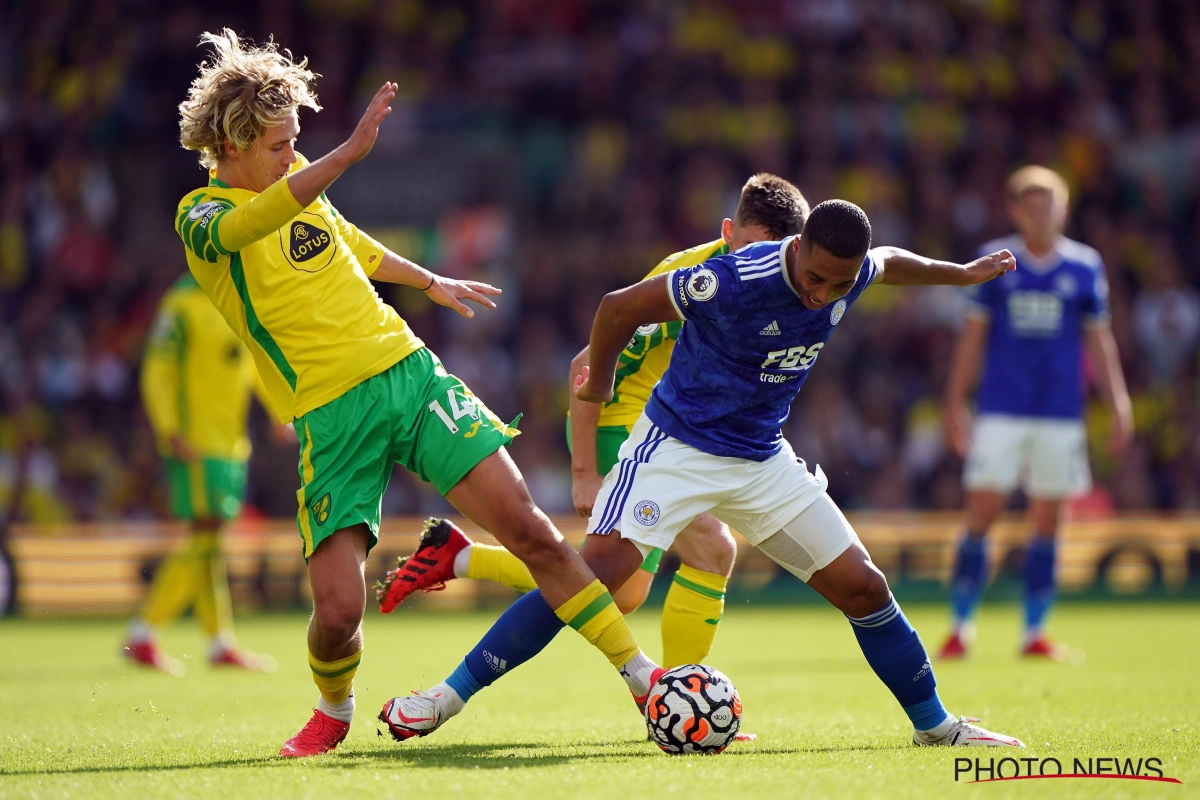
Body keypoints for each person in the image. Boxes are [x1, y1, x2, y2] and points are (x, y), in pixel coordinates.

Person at [381, 200, 1025, 748]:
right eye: (816, 278)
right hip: (673, 451)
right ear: (796, 247)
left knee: (864, 587)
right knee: (592, 579)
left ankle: (936, 726)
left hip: (762, 458)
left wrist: (961, 274)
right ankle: (444, 698)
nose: (822, 295)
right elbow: (614, 308)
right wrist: (599, 379)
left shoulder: (848, 272)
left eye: (838, 285)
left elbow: (892, 263)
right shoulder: (732, 278)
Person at [174, 30, 660, 758]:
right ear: (234, 145)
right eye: (278, 144)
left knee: (529, 528)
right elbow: (257, 221)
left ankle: (643, 679)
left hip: (406, 371)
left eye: (297, 142)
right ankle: (333, 708)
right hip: (330, 413)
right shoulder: (200, 218)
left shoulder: (301, 178)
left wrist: (428, 279)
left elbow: (347, 241)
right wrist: (346, 156)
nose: (291, 154)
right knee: (337, 611)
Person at [376, 175, 810, 679]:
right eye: (753, 248)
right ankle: (684, 697)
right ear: (728, 231)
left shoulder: (784, 286)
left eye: (774, 254)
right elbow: (585, 364)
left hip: (671, 434)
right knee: (712, 548)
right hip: (617, 423)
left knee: (619, 593)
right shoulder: (692, 282)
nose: (760, 264)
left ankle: (459, 558)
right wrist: (584, 470)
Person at [938, 166, 1133, 661]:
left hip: (1060, 412)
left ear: (1064, 210)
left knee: (1049, 522)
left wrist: (1117, 402)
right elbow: (973, 338)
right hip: (1001, 409)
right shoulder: (1000, 262)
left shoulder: (1084, 267)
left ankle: (1034, 633)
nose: (1041, 213)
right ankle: (960, 626)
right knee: (981, 514)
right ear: (1015, 211)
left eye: (1049, 204)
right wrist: (954, 401)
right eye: (1031, 205)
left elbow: (1099, 339)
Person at [122, 273, 277, 675]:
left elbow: (253, 362)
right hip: (195, 442)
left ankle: (219, 643)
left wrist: (280, 410)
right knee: (205, 532)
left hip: (231, 443)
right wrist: (169, 428)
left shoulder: (238, 298)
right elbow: (157, 370)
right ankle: (142, 632)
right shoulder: (180, 305)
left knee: (210, 540)